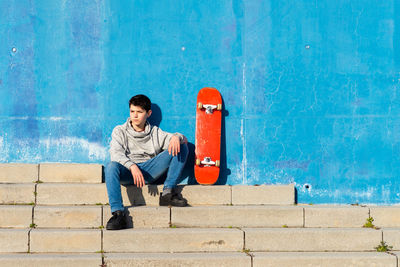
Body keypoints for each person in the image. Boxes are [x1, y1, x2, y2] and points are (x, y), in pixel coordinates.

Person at [105, 94, 189, 230]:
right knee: (111, 166)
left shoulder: (155, 132)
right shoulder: (119, 131)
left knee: (181, 146)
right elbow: (116, 153)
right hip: (128, 172)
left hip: (149, 170)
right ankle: (118, 214)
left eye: (139, 112)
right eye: (132, 111)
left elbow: (181, 139)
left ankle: (168, 193)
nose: (135, 116)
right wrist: (132, 166)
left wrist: (177, 136)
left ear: (148, 113)